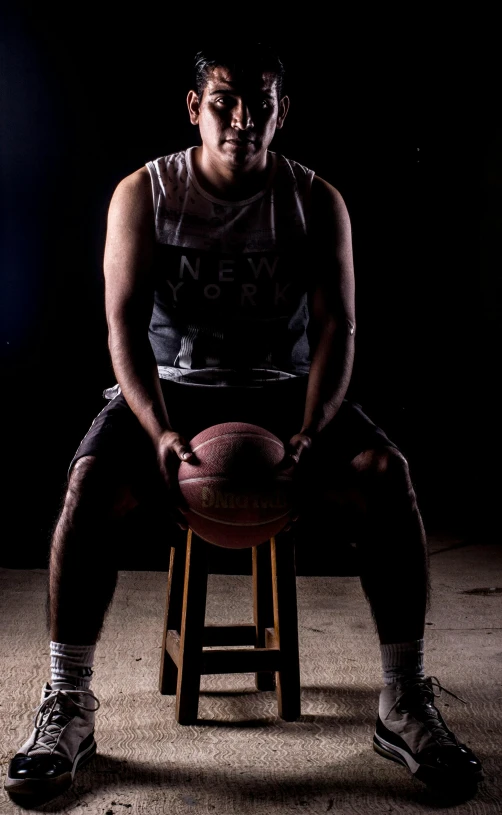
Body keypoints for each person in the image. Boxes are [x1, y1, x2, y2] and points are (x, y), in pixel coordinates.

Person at [5, 42, 483, 800]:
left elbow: (337, 329)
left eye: (260, 102)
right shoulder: (146, 192)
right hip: (171, 389)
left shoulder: (315, 199)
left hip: (284, 391)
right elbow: (123, 327)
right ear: (194, 106)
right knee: (90, 482)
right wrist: (158, 429)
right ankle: (67, 703)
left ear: (281, 112)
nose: (242, 118)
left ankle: (402, 701)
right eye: (224, 100)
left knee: (387, 476)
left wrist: (314, 423)